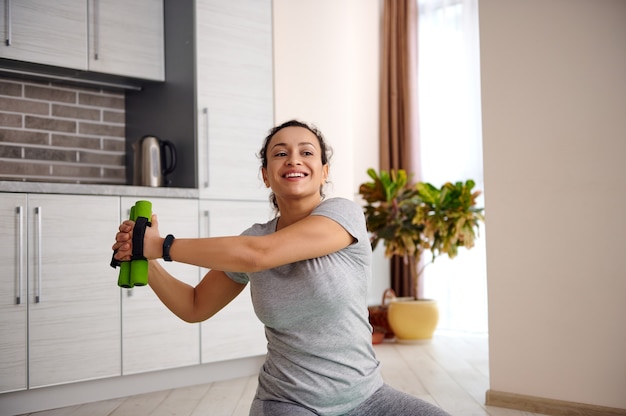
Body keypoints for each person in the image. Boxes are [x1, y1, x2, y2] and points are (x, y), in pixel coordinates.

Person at [112, 120, 450, 416]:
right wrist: (146, 257)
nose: (293, 160)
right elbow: (195, 306)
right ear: (265, 175)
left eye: (306, 152)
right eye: (280, 153)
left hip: (368, 397)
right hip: (287, 403)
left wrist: (162, 244)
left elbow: (260, 255)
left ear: (324, 171)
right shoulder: (252, 239)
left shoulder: (343, 216)